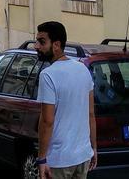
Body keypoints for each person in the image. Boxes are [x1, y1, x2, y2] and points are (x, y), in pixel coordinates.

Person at [34, 21, 96, 179]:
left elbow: (47, 121)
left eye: (42, 42)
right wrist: (93, 148)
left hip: (59, 160)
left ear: (56, 45)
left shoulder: (48, 75)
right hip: (82, 156)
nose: (36, 46)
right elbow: (90, 114)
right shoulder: (83, 69)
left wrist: (41, 159)